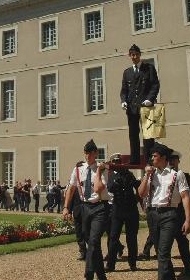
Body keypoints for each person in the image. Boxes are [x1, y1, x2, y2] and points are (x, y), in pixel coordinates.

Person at [138, 143, 190, 280]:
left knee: (163, 252)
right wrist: (146, 175)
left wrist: (188, 219)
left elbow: (185, 197)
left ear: (163, 158)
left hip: (170, 214)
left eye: (154, 156)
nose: (152, 158)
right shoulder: (151, 174)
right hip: (152, 214)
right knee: (159, 251)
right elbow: (141, 193)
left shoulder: (177, 174)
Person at [63, 138, 110, 280]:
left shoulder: (103, 169)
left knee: (94, 241)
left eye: (90, 153)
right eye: (85, 153)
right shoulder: (78, 169)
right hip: (84, 208)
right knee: (91, 243)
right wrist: (66, 207)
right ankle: (101, 276)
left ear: (96, 153)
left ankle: (88, 274)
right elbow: (71, 189)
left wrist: (98, 172)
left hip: (100, 207)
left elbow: (98, 188)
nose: (87, 156)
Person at [120, 44, 160, 164]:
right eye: (132, 55)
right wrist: (123, 101)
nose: (134, 57)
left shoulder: (149, 68)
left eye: (136, 54)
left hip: (146, 106)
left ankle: (149, 159)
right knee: (133, 134)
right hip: (132, 108)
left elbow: (155, 85)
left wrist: (150, 99)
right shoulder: (127, 72)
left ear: (140, 55)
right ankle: (135, 158)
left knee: (148, 134)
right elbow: (124, 90)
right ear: (129, 56)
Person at [105, 154, 140, 272]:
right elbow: (110, 188)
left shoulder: (129, 174)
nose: (117, 164)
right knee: (114, 237)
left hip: (130, 209)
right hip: (118, 209)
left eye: (118, 162)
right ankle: (110, 265)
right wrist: (117, 182)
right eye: (115, 162)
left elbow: (138, 187)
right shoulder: (112, 175)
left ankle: (133, 263)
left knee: (132, 238)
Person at [168, 151, 190, 276]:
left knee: (182, 241)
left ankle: (188, 266)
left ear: (178, 161)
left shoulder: (183, 175)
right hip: (168, 212)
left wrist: (188, 218)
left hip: (179, 212)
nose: (172, 162)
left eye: (174, 159)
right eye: (170, 159)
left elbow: (185, 195)